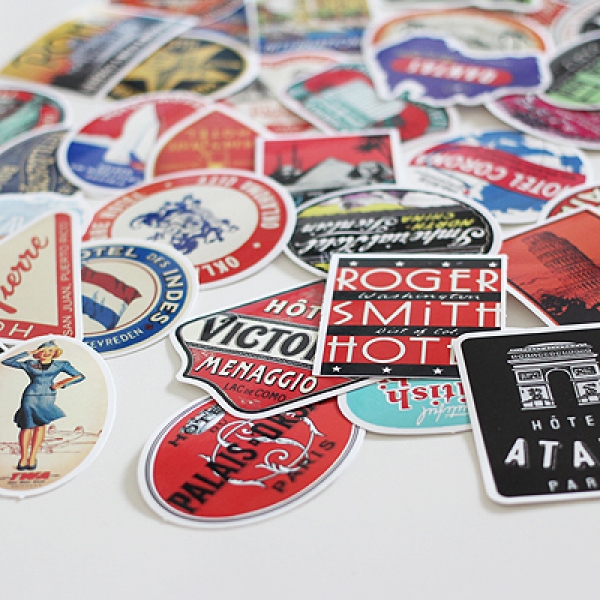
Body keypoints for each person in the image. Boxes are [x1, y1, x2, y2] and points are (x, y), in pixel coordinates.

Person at [1, 341, 85, 471]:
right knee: (26, 426)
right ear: (38, 352)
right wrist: (28, 353)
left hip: (47, 396)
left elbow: (79, 376)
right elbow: (7, 361)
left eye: (50, 351)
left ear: (55, 352)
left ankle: (32, 457)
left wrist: (62, 383)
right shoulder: (30, 363)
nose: (46, 353)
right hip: (30, 396)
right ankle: (23, 458)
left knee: (40, 425)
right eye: (43, 351)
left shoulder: (61, 364)